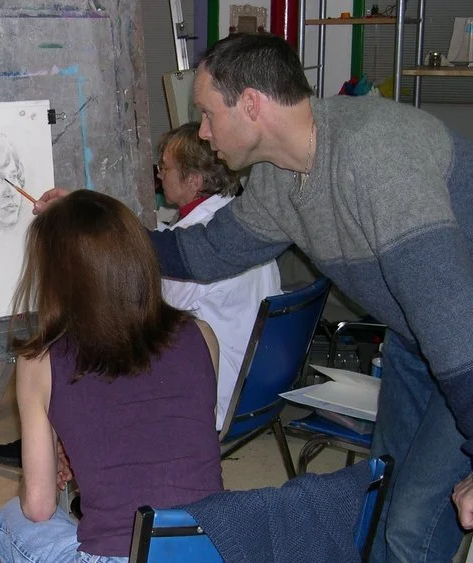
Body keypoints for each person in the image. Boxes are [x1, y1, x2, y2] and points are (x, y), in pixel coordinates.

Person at [36, 33, 473, 562]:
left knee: (411, 526)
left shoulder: (373, 157)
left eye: (206, 113)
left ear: (249, 104)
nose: (202, 131)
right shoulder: (279, 180)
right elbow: (205, 253)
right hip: (416, 337)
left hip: (461, 341)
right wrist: (95, 223)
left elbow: (455, 326)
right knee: (379, 503)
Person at [0, 190, 223, 562]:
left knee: (11, 520)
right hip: (211, 549)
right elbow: (177, 441)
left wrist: (47, 459)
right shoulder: (202, 335)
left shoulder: (41, 360)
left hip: (122, 556)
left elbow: (39, 506)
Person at [156, 122, 282, 430]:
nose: (159, 174)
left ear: (194, 180)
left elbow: (158, 311)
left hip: (219, 396)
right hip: (263, 388)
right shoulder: (243, 224)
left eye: (165, 167)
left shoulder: (197, 246)